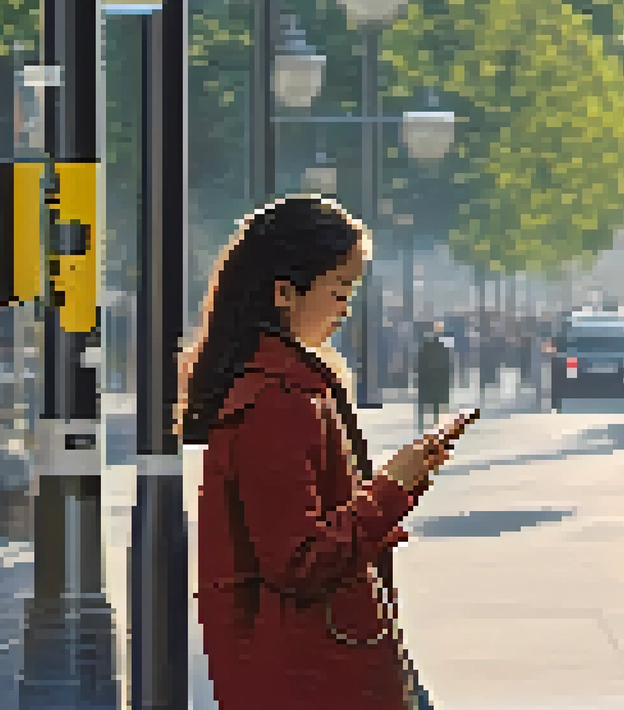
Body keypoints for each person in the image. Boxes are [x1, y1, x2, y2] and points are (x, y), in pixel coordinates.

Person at [183, 196, 465, 710]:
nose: (346, 308)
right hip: (310, 673)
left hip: (303, 667)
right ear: (285, 293)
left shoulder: (287, 385)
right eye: (340, 289)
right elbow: (298, 560)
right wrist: (390, 490)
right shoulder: (278, 398)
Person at [416, 321, 451, 434]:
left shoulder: (425, 347)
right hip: (436, 378)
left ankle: (422, 424)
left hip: (428, 378)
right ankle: (435, 422)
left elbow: (420, 363)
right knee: (436, 403)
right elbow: (447, 365)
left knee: (425, 403)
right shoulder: (443, 347)